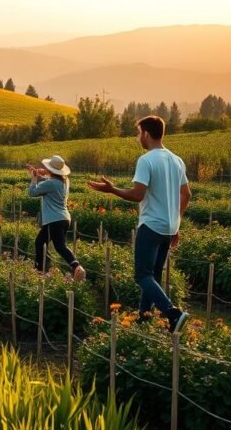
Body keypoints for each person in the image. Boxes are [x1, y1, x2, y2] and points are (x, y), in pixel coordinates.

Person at [88, 115, 191, 334]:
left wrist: (112, 189)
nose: (137, 138)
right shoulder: (176, 160)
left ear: (145, 133)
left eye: (138, 133)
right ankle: (144, 318)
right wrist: (177, 222)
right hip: (169, 228)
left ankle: (173, 313)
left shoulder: (146, 160)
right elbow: (186, 194)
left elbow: (137, 194)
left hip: (151, 225)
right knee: (152, 276)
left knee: (142, 275)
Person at [27, 155, 86, 281]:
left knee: (55, 245)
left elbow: (32, 193)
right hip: (64, 218)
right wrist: (40, 173)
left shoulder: (50, 183)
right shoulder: (65, 181)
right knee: (43, 243)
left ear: (51, 170)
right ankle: (42, 269)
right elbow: (50, 182)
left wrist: (33, 178)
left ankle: (74, 266)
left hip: (53, 220)